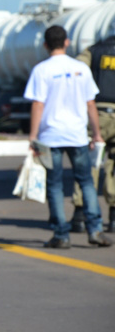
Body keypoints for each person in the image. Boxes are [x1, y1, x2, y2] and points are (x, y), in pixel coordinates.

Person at [24, 25, 111, 248]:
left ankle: (61, 235)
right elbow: (90, 103)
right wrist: (97, 134)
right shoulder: (81, 68)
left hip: (50, 136)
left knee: (54, 185)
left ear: (45, 45)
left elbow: (37, 105)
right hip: (78, 135)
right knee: (86, 182)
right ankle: (95, 230)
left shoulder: (41, 70)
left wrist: (33, 137)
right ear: (67, 42)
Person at [70, 35, 115, 233]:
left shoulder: (93, 51)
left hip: (97, 112)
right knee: (113, 166)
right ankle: (114, 217)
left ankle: (80, 214)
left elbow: (76, 75)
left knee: (89, 164)